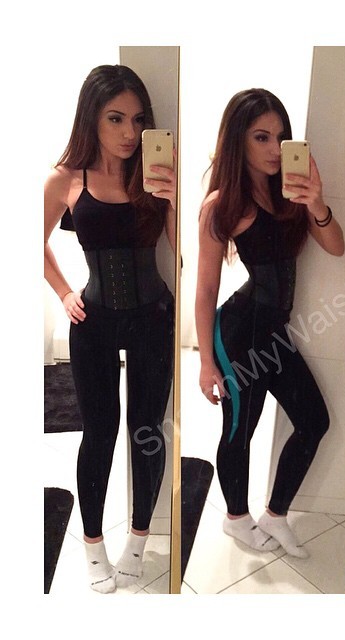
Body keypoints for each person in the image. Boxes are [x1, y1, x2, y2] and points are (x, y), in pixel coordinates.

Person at [44, 65, 177, 593]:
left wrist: (173, 199)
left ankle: (138, 540)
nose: (129, 132)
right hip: (94, 321)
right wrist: (63, 291)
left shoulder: (155, 173)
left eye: (138, 120)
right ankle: (93, 542)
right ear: (91, 118)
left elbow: (182, 253)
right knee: (99, 432)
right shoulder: (65, 179)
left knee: (147, 430)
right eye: (115, 118)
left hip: (153, 318)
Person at [195, 88, 344, 558]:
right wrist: (205, 361)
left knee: (314, 422)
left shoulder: (291, 193)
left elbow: (337, 246)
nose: (275, 148)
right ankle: (236, 518)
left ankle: (275, 514)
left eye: (281, 137)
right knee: (240, 430)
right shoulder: (223, 204)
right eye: (262, 137)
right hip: (239, 334)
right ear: (238, 140)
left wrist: (317, 202)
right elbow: (205, 289)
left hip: (275, 335)